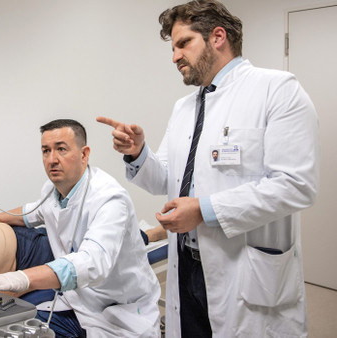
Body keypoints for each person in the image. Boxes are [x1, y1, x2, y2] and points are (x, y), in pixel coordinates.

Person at [97, 0, 319, 337]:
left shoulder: (277, 90)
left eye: (184, 43)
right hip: (186, 265)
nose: (175, 57)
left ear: (218, 37)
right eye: (173, 48)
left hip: (247, 270)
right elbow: (167, 179)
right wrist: (138, 153)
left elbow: (295, 185)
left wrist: (204, 211)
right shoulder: (185, 107)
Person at [0, 119, 161, 337]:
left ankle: (155, 233)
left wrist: (21, 278)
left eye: (61, 149)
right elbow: (34, 211)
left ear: (84, 154)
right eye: (46, 151)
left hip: (119, 312)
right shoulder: (53, 190)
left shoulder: (110, 199)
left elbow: (91, 262)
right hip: (76, 303)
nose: (52, 159)